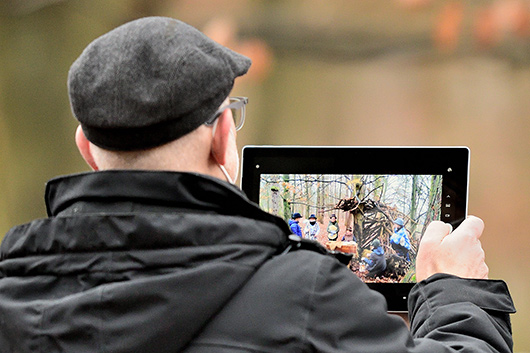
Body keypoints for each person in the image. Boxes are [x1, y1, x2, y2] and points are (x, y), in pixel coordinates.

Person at [0, 16, 515, 353]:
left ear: (85, 148)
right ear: (224, 139)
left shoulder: (12, 293)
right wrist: (456, 294)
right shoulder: (304, 296)